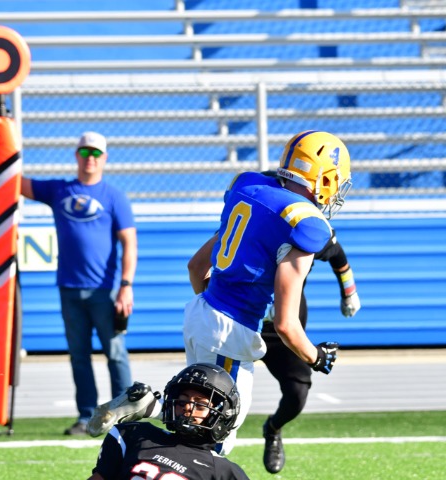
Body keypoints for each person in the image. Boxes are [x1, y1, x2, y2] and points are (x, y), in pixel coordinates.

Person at [87, 130, 351, 454]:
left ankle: (146, 404)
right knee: (216, 436)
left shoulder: (248, 188)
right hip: (232, 331)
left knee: (193, 420)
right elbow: (285, 324)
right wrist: (317, 357)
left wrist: (211, 312)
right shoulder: (306, 223)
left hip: (201, 312)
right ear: (324, 179)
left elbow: (196, 266)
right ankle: (142, 420)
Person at [21, 131, 137, 436]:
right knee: (79, 355)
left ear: (104, 158)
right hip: (69, 288)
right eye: (85, 152)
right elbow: (17, 183)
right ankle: (86, 417)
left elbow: (130, 242)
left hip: (105, 290)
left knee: (115, 353)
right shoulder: (59, 190)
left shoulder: (114, 196)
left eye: (96, 153)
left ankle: (125, 416)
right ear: (76, 155)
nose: (90, 158)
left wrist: (126, 285)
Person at [260, 229, 361, 474]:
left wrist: (349, 291)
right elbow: (204, 266)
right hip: (241, 322)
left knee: (297, 393)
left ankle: (273, 428)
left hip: (283, 328)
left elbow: (336, 253)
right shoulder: (246, 221)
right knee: (216, 391)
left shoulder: (303, 226)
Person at [87, 363, 250, 480]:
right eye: (182, 401)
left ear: (222, 415)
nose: (188, 407)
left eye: (200, 405)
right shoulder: (134, 435)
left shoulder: (224, 471)